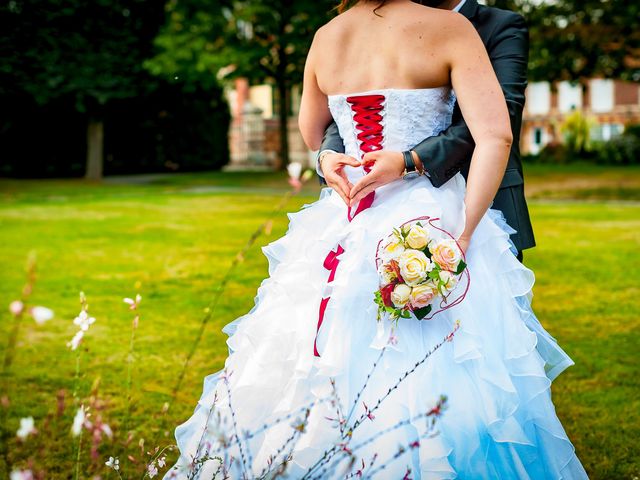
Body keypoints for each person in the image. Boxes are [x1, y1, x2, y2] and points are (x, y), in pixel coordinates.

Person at [165, 1, 589, 478]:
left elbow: (313, 130)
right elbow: (496, 136)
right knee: (449, 362)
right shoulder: (450, 28)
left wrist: (331, 156)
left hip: (343, 221)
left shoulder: (327, 35)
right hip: (428, 214)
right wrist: (465, 233)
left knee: (316, 353)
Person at [316, 0, 536, 263]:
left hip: (474, 208)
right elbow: (338, 115)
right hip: (358, 207)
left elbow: (502, 114)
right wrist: (327, 154)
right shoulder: (361, 28)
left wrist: (410, 160)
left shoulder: (497, 26)